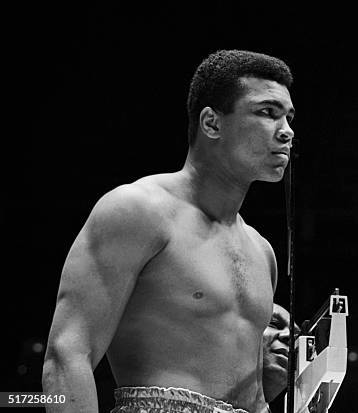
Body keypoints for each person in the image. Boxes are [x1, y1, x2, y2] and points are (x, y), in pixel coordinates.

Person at [42, 49, 296, 413]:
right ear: (211, 123)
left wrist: (265, 382)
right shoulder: (137, 210)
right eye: (268, 113)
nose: (287, 131)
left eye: (289, 117)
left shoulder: (261, 250)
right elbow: (67, 354)